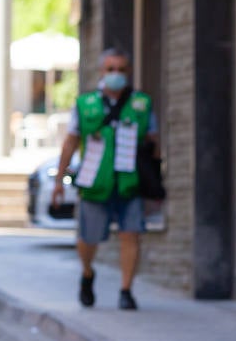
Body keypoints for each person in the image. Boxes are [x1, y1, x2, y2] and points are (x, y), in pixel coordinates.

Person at [51, 48, 158, 311]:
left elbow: (153, 144)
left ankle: (126, 290)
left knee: (130, 234)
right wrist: (59, 179)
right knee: (88, 238)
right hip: (94, 182)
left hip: (129, 182)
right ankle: (87, 273)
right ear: (101, 72)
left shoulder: (141, 104)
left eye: (121, 69)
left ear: (129, 72)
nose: (116, 75)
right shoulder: (85, 104)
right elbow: (71, 142)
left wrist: (154, 182)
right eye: (110, 69)